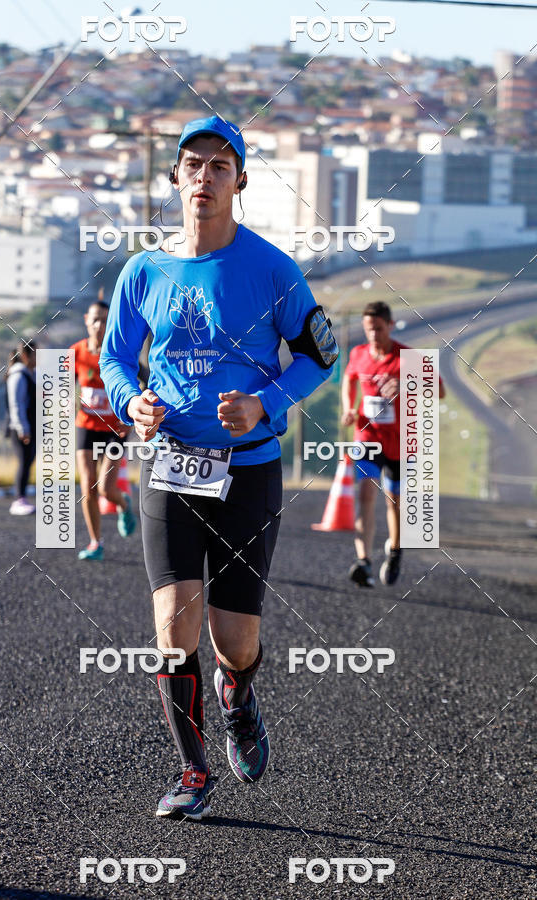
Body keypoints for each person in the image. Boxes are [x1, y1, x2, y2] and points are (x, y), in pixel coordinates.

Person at [100, 115, 337, 820]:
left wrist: (265, 403)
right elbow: (116, 358)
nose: (204, 178)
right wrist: (132, 402)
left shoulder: (270, 267)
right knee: (172, 623)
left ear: (239, 182)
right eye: (192, 165)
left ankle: (239, 694)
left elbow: (320, 356)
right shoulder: (144, 270)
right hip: (171, 468)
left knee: (234, 641)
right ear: (175, 177)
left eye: (219, 167)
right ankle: (192, 771)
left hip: (249, 471)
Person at [341, 301, 445, 588]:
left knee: (394, 502)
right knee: (366, 495)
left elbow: (440, 390)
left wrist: (408, 383)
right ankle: (363, 561)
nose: (372, 334)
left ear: (389, 325)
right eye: (367, 329)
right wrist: (350, 408)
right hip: (367, 437)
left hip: (401, 442)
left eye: (377, 328)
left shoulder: (407, 357)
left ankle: (396, 551)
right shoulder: (359, 354)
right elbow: (348, 381)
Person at [71, 300, 136, 561]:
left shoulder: (117, 352)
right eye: (95, 319)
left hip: (113, 429)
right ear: (87, 319)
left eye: (105, 321)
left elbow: (138, 383)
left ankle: (123, 505)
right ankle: (95, 542)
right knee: (87, 486)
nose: (99, 325)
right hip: (86, 426)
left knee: (106, 490)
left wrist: (130, 416)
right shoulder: (76, 351)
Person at [5, 340, 37, 516]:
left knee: (27, 462)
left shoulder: (31, 374)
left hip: (30, 426)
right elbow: (15, 404)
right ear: (26, 356)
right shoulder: (18, 376)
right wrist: (22, 428)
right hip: (21, 428)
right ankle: (19, 500)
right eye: (35, 353)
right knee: (24, 463)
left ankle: (21, 498)